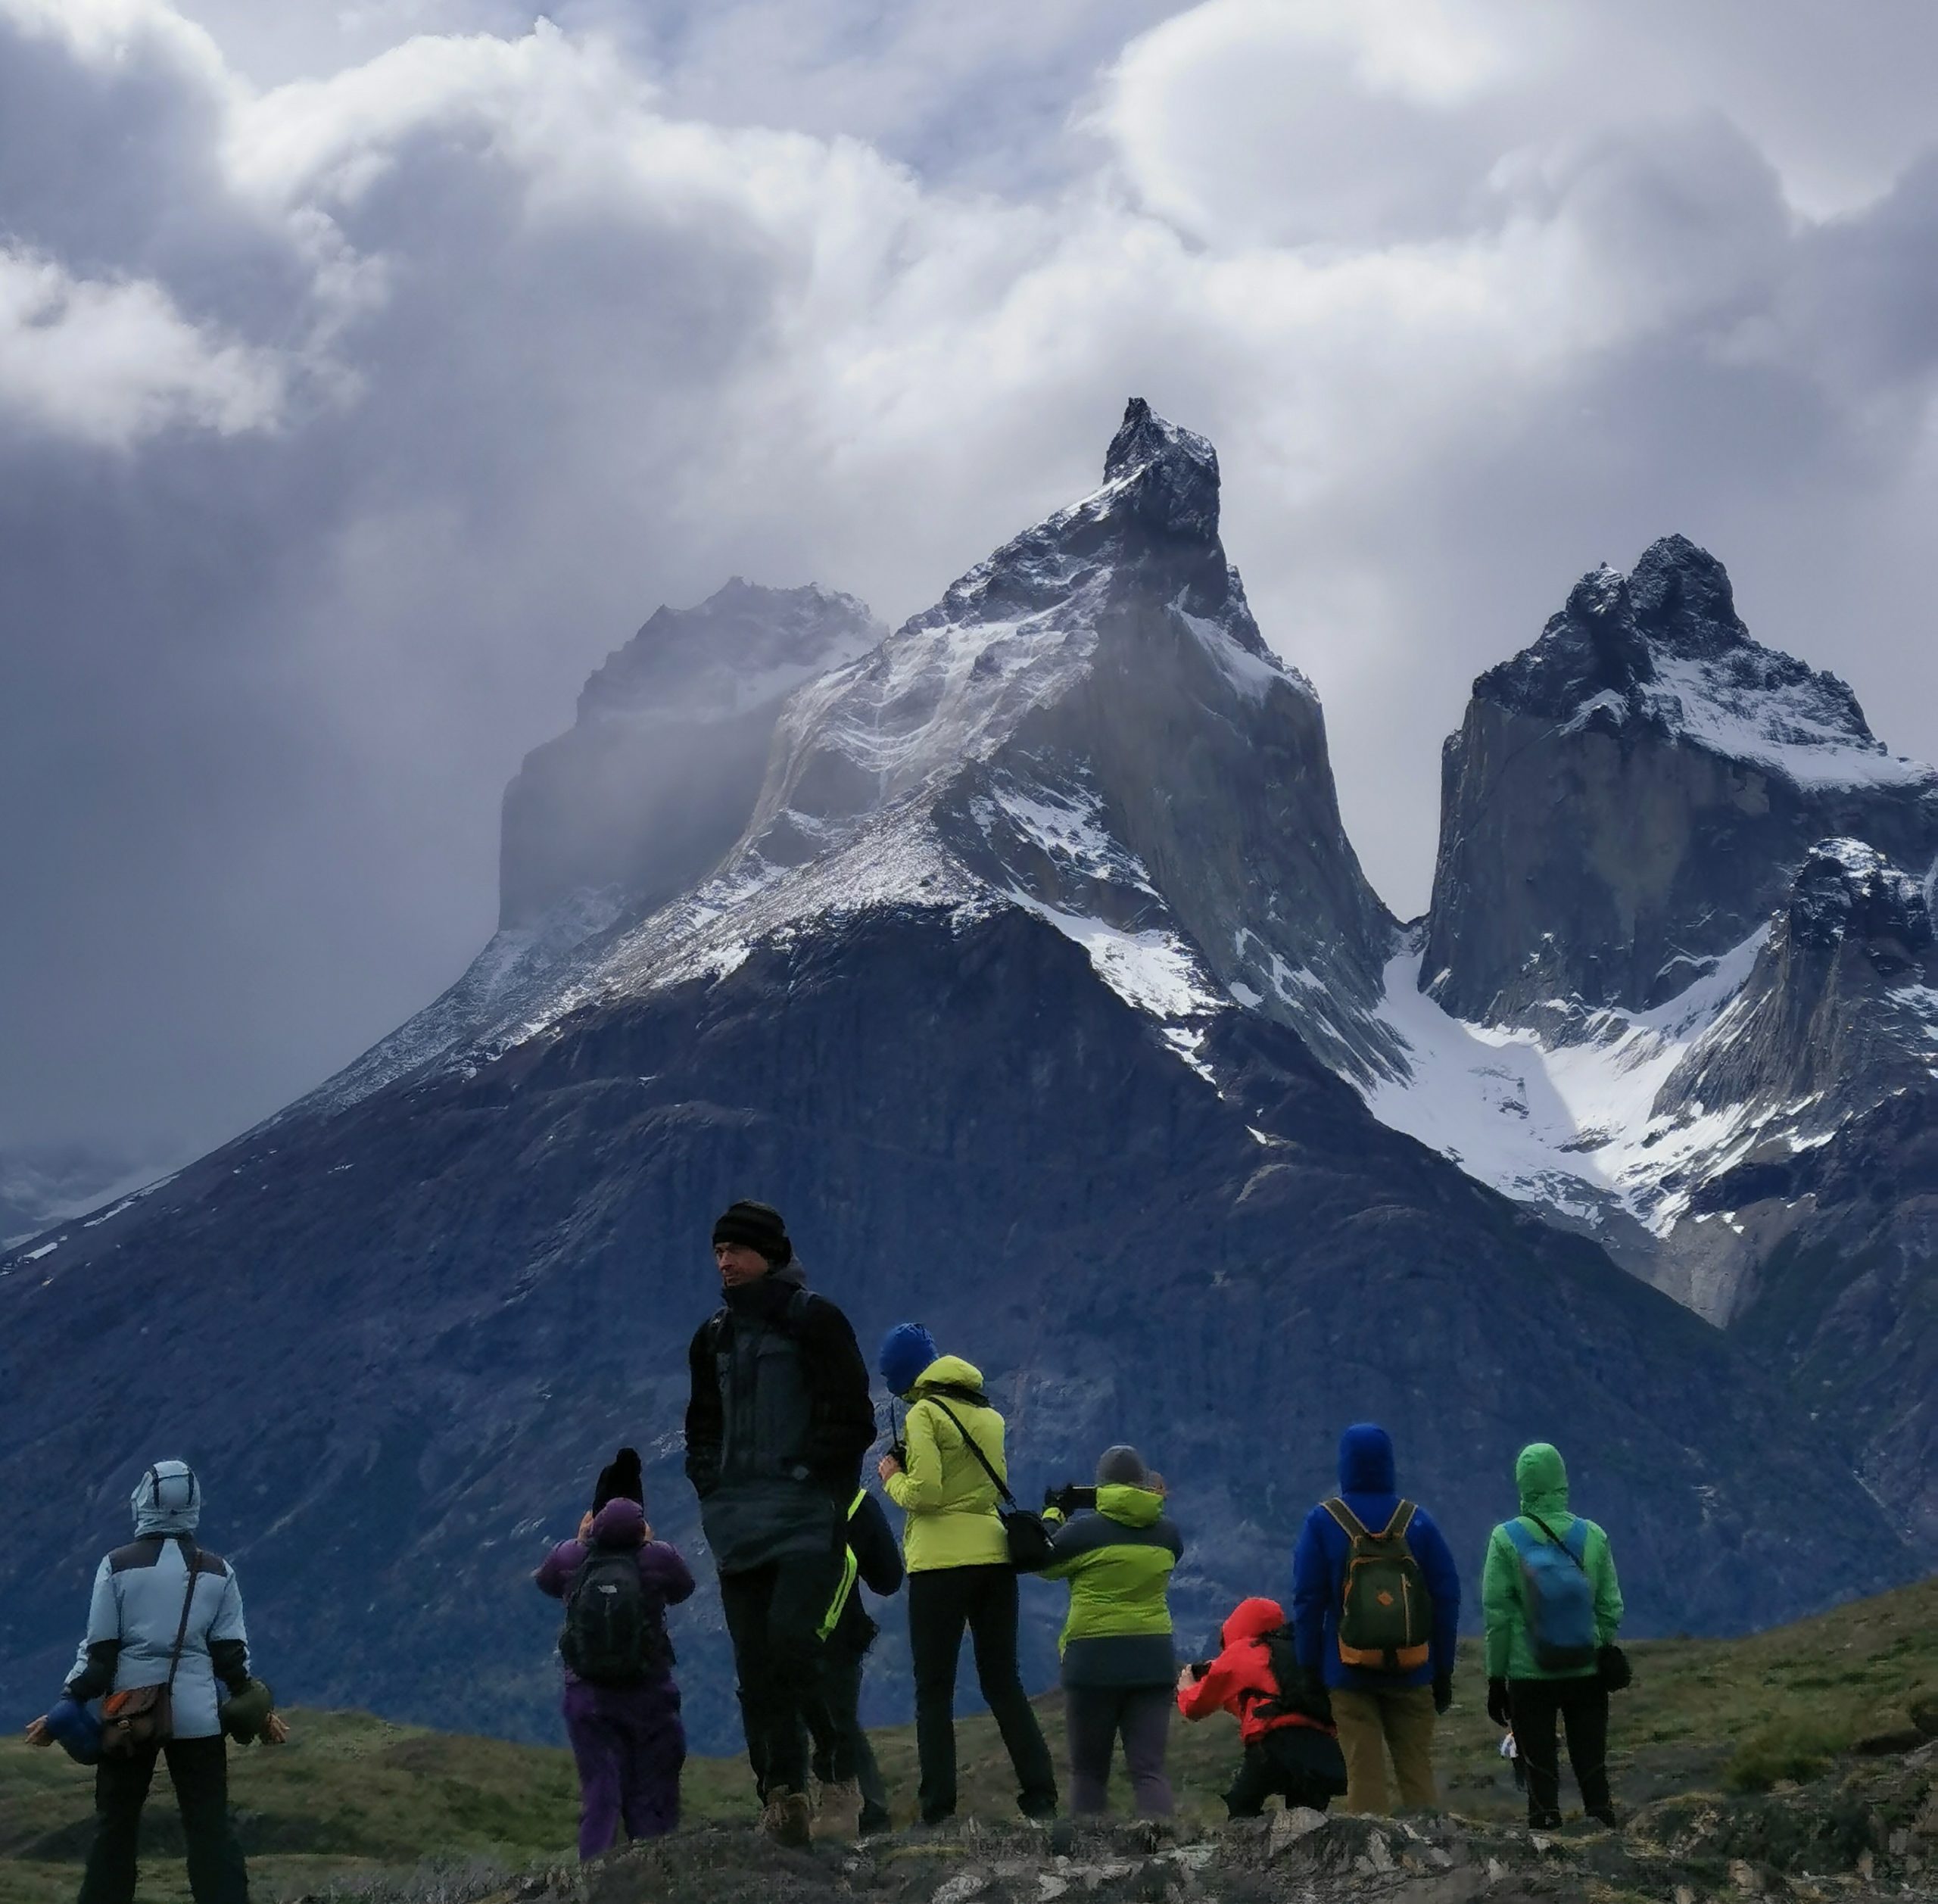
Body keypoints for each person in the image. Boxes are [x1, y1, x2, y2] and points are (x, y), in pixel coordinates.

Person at [684, 1200, 875, 1848]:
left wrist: (814, 1483)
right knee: (754, 1665)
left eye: (736, 1249)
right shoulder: (712, 1337)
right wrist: (710, 1484)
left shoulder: (815, 1321)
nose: (725, 1262)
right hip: (736, 1526)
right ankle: (781, 1795)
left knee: (795, 1642)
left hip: (802, 1520)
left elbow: (854, 1418)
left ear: (769, 1253)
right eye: (717, 1251)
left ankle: (837, 1774)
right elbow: (701, 1425)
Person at [24, 1460, 288, 1904]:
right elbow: (230, 1660)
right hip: (198, 1719)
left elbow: (100, 1655)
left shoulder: (116, 1567)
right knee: (208, 1827)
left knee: (116, 1828)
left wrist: (66, 1706)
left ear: (144, 1499)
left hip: (130, 1714)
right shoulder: (219, 1573)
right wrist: (258, 1711)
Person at [877, 1323, 1058, 1826]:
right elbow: (974, 1489)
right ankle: (1040, 1792)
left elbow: (928, 1493)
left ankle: (938, 1807)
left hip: (940, 1565)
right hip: (993, 1558)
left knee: (933, 1689)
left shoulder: (924, 1414)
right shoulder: (987, 1413)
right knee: (1003, 1680)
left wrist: (893, 1480)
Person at [1291, 1423, 1461, 1815]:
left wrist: (1309, 1667)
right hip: (1414, 1670)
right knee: (1417, 1773)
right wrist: (1443, 1670)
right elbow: (1447, 1597)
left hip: (1348, 1671)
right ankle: (1435, 1861)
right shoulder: (1418, 1522)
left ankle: (1374, 1866)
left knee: (1363, 1777)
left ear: (1344, 1464)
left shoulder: (1322, 1522)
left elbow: (1308, 1601)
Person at [534, 1468, 696, 1859]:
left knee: (601, 1794)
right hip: (650, 1693)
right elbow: (684, 1589)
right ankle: (655, 1878)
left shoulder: (570, 1557)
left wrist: (580, 1540)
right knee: (654, 1794)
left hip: (588, 1697)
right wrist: (650, 1546)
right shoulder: (658, 1559)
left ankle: (596, 1883)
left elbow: (545, 1582)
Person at [1482, 1442, 1625, 1830]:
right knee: (1592, 1767)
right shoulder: (1593, 1536)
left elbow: (1497, 1618)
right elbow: (1612, 1606)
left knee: (1540, 1776)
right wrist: (1592, 1640)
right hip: (1586, 1670)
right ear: (1562, 1480)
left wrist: (1497, 1678)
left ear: (1523, 1484)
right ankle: (1604, 1834)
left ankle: (1546, 1835)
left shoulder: (1504, 1539)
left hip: (1529, 1677)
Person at [1039, 1445, 1182, 1818]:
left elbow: (1043, 1561)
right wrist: (1154, 1505)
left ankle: (1087, 1859)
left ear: (1101, 1486)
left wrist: (1054, 1514)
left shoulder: (1084, 1533)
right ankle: (1165, 1849)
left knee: (1088, 1772)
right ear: (1146, 1484)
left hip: (1092, 1661)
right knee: (1149, 1769)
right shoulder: (1168, 1536)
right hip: (1153, 1660)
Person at [1176, 1597, 1347, 1817]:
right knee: (1307, 1818)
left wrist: (1187, 1688)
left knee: (1241, 1806)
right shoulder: (1300, 1650)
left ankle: (1250, 1849)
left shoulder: (1244, 1650)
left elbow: (1195, 1707)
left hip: (1273, 1745)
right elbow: (1267, 1698)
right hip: (1319, 1746)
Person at [808, 1487, 905, 1839]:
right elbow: (889, 1579)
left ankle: (789, 1806)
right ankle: (868, 1811)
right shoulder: (856, 1501)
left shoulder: (770, 1491)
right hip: (840, 1630)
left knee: (794, 1718)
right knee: (840, 1718)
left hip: (775, 1626)